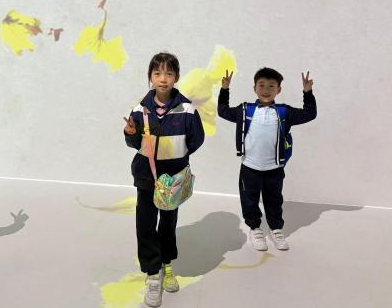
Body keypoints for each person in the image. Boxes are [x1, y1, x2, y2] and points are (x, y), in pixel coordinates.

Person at [123, 52, 204, 307]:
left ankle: (167, 263)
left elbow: (197, 139)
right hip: (146, 177)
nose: (163, 78)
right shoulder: (140, 109)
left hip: (174, 178)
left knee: (168, 222)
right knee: (146, 222)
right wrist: (130, 133)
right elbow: (133, 142)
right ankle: (151, 272)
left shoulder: (187, 109)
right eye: (157, 73)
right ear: (150, 76)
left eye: (169, 73)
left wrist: (177, 155)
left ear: (176, 76)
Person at [218, 67, 316, 251]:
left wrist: (307, 92)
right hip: (249, 167)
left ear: (278, 90)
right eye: (261, 85)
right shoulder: (245, 109)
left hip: (275, 168)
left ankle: (275, 229)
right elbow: (222, 111)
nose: (266, 89)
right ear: (254, 88)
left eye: (271, 86)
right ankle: (255, 228)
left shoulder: (284, 112)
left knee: (274, 200)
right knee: (249, 199)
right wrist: (225, 89)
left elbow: (309, 114)